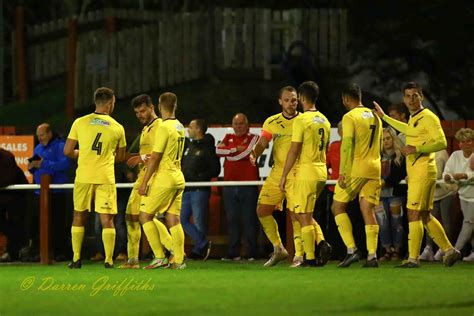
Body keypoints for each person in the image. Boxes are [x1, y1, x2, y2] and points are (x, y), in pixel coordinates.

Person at [374, 81, 461, 267]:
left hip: (422, 171)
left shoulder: (429, 117)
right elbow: (407, 129)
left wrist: (417, 148)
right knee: (424, 215)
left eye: (415, 95)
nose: (411, 99)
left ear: (421, 96)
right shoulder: (415, 118)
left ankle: (413, 258)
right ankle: (449, 250)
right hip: (418, 172)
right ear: (404, 99)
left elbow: (442, 142)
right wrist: (384, 117)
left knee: (413, 213)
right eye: (408, 96)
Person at [64, 87, 127, 269]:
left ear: (96, 102)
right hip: (105, 177)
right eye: (113, 103)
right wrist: (106, 155)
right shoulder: (117, 127)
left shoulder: (80, 122)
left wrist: (83, 153)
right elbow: (121, 157)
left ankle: (76, 259)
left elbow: (67, 151)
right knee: (107, 219)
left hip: (83, 176)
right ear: (109, 103)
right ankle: (108, 260)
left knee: (79, 216)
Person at [279, 81, 332, 267]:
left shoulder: (301, 120)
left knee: (302, 214)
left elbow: (294, 149)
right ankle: (318, 248)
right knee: (307, 214)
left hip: (307, 170)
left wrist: (284, 174)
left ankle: (308, 257)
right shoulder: (324, 120)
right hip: (321, 170)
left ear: (301, 98)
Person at [250, 86, 302, 267]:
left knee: (296, 214)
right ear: (280, 101)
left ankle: (299, 256)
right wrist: (254, 154)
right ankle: (278, 248)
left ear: (298, 101)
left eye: (293, 100)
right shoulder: (272, 122)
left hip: (298, 172)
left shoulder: (303, 121)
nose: (290, 103)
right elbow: (263, 142)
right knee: (262, 210)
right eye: (287, 100)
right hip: (277, 172)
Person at [119, 94, 172, 269]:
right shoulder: (146, 128)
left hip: (153, 178)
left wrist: (139, 158)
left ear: (152, 108)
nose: (140, 115)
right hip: (142, 177)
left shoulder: (158, 127)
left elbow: (160, 154)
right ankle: (133, 260)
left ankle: (173, 252)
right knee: (131, 216)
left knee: (148, 217)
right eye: (137, 112)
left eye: (142, 111)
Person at [331, 83, 382, 268]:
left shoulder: (349, 117)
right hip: (375, 168)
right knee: (368, 210)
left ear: (345, 98)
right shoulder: (375, 116)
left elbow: (346, 145)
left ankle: (352, 250)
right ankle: (372, 255)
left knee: (337, 207)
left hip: (357, 168)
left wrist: (343, 172)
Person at [137, 92, 187, 270]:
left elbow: (156, 157)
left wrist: (144, 182)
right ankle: (179, 260)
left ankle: (159, 256)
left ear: (159, 106)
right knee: (173, 218)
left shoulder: (164, 127)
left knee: (144, 215)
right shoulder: (180, 126)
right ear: (176, 105)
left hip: (165, 177)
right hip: (178, 177)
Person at [217, 113, 259, 261]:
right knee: (232, 219)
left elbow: (246, 153)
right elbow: (218, 151)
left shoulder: (254, 138)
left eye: (241, 124)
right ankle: (233, 252)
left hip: (248, 184)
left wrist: (228, 151)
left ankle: (253, 252)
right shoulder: (228, 136)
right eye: (236, 124)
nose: (238, 126)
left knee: (249, 219)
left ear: (247, 125)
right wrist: (235, 149)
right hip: (229, 184)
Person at [28, 123, 71, 260]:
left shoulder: (60, 146)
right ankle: (38, 252)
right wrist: (31, 167)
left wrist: (43, 164)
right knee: (37, 224)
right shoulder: (38, 148)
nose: (39, 138)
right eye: (38, 136)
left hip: (56, 192)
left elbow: (66, 164)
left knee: (58, 223)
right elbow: (33, 166)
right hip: (39, 193)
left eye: (42, 135)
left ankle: (60, 252)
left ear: (49, 133)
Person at [181, 118, 220, 260]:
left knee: (199, 221)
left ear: (198, 129)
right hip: (187, 188)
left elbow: (215, 169)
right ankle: (202, 243)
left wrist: (199, 177)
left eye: (191, 127)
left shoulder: (207, 148)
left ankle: (199, 250)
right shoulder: (189, 146)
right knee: (181, 219)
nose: (188, 129)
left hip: (200, 190)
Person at [374, 127, 406, 261]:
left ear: (393, 139)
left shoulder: (400, 156)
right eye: (382, 139)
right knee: (382, 224)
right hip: (379, 194)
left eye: (388, 138)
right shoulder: (376, 155)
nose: (385, 141)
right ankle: (387, 250)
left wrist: (384, 181)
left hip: (395, 193)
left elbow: (399, 174)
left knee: (396, 223)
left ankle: (397, 251)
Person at [419, 149, 456, 261]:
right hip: (432, 193)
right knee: (428, 220)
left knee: (446, 222)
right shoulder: (422, 151)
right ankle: (428, 249)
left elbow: (437, 174)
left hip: (446, 192)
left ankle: (445, 250)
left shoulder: (440, 155)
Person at [443, 128, 474, 262]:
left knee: (468, 222)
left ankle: (455, 251)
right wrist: (449, 177)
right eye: (462, 141)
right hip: (463, 195)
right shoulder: (455, 155)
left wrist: (464, 175)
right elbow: (446, 173)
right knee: (470, 224)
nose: (465, 144)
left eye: (468, 141)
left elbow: (470, 175)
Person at [0, 148, 28, 261]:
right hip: (3, 196)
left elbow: (8, 179)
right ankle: (13, 251)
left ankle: (16, 253)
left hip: (17, 195)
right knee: (7, 226)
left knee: (16, 223)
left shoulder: (6, 157)